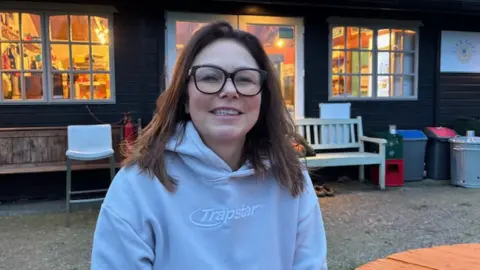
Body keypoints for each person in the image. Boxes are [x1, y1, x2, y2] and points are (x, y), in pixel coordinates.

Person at [91, 21, 328, 269]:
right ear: (184, 98)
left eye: (245, 79)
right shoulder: (138, 186)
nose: (229, 90)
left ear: (262, 97)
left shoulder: (292, 177)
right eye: (210, 77)